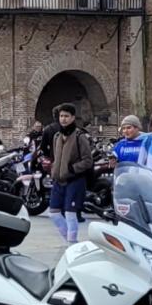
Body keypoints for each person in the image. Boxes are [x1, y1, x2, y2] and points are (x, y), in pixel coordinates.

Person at [44, 103, 92, 243]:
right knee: (53, 213)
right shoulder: (57, 136)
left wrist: (72, 169)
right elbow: (55, 157)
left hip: (75, 180)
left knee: (71, 214)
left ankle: (71, 243)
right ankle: (69, 241)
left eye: (66, 116)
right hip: (58, 180)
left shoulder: (79, 136)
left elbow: (88, 160)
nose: (63, 119)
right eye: (61, 116)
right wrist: (54, 169)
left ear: (72, 118)